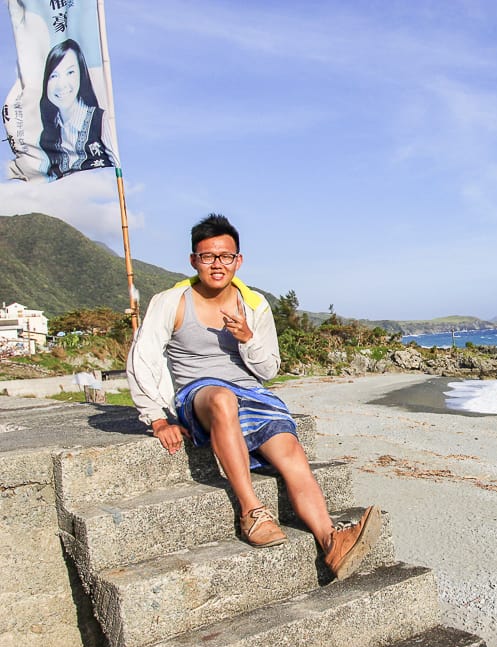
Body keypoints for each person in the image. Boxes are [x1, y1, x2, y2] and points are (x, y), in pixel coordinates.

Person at [126, 214, 381, 580]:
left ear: (238, 260)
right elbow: (143, 356)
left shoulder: (254, 305)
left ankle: (331, 541)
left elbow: (268, 370)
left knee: (292, 453)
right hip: (199, 394)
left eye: (226, 256)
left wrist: (247, 338)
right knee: (222, 400)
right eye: (208, 256)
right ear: (193, 260)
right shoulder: (171, 301)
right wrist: (156, 416)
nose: (217, 264)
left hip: (252, 394)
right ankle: (252, 511)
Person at [38, 39, 118, 180]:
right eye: (54, 76)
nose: (61, 84)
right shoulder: (47, 136)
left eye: (70, 72)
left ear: (82, 74)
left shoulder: (100, 122)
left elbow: (114, 162)